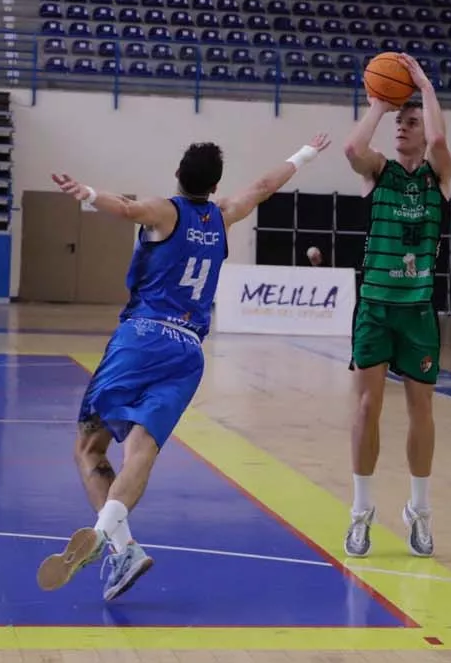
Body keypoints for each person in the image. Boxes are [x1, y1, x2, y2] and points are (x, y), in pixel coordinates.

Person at [36, 132, 332, 601]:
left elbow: (129, 210)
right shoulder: (223, 215)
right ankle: (119, 541)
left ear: (178, 174)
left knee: (90, 447)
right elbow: (263, 185)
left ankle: (114, 540)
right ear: (214, 187)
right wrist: (306, 153)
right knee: (143, 450)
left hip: (143, 337)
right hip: (188, 351)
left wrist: (88, 193)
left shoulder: (166, 211)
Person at [342, 52, 451, 558]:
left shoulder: (438, 176)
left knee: (421, 411)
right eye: (399, 122)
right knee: (368, 407)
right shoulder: (378, 173)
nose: (402, 130)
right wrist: (379, 104)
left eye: (410, 122)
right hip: (375, 305)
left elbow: (437, 140)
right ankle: (361, 510)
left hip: (418, 311)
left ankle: (420, 510)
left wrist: (425, 87)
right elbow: (352, 146)